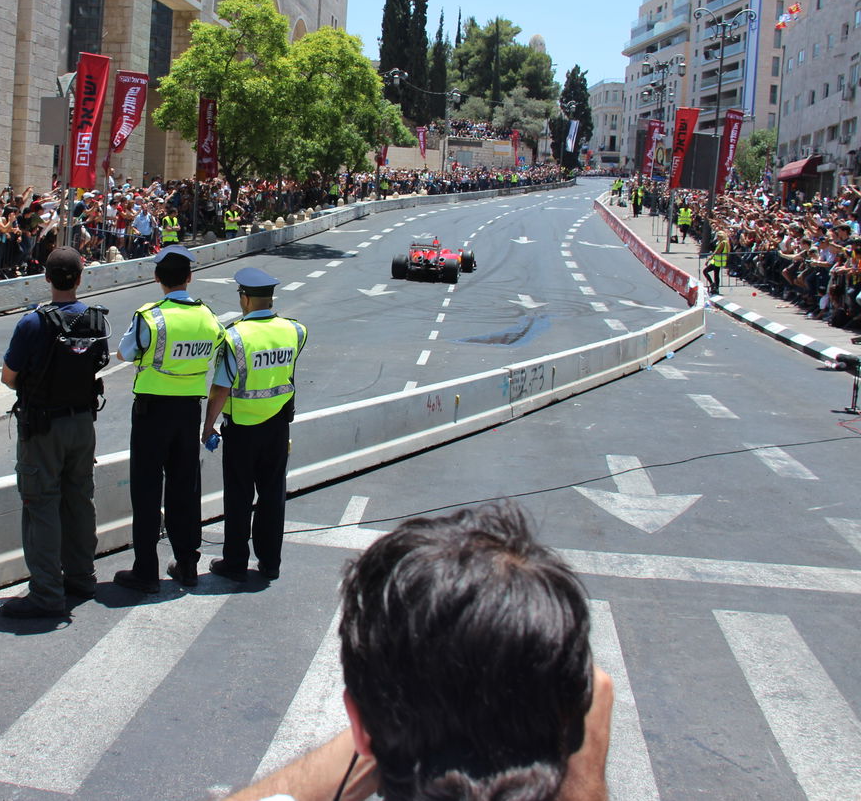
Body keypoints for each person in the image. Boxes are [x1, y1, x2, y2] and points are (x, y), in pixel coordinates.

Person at [226, 504, 613, 801]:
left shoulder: (370, 731)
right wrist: (586, 774)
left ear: (360, 728)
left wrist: (395, 725)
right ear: (571, 718)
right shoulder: (575, 742)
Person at [0, 246, 110, 618]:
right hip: (83, 423)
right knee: (79, 499)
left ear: (46, 279)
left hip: (43, 426)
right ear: (80, 278)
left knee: (41, 503)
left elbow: (8, 377)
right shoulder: (95, 320)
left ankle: (46, 593)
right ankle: (82, 577)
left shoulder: (32, 323)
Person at [113, 244, 223, 592]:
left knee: (146, 490)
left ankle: (146, 570)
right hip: (189, 410)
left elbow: (125, 352)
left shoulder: (150, 315)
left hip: (152, 410)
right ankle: (188, 564)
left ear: (158, 277)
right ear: (190, 278)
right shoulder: (208, 316)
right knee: (185, 489)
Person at [204, 267, 307, 582]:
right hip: (277, 426)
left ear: (244, 299)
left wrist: (207, 426)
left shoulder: (234, 336)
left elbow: (221, 388)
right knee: (273, 494)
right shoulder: (295, 330)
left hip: (242, 428)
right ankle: (270, 562)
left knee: (238, 496)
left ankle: (235, 563)